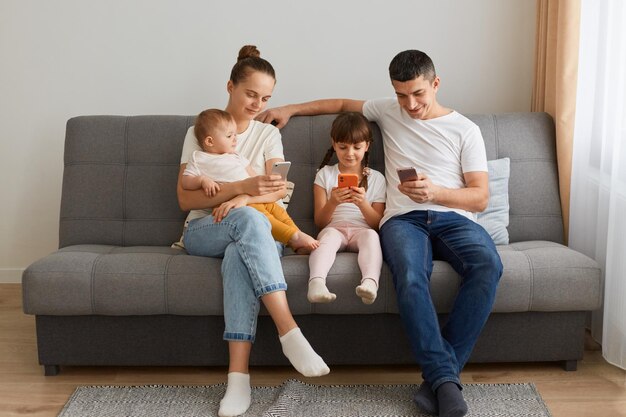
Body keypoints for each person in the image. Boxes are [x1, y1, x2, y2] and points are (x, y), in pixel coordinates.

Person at [257, 49, 503, 417]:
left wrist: (435, 192)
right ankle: (447, 382)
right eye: (401, 94)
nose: (410, 104)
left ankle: (440, 378)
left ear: (435, 84)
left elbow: (480, 197)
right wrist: (290, 108)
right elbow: (340, 102)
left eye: (418, 93)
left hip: (455, 218)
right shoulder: (388, 110)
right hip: (403, 220)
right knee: (409, 275)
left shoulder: (465, 130)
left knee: (488, 266)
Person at [177, 45, 329, 417]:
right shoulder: (199, 132)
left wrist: (243, 200)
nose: (257, 103)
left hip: (256, 226)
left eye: (265, 98)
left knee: (241, 244)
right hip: (202, 229)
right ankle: (289, 331)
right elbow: (184, 198)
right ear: (230, 86)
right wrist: (238, 191)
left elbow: (277, 189)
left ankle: (238, 379)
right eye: (250, 94)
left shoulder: (267, 135)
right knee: (249, 222)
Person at [182, 108, 319, 254]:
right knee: (259, 217)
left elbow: (253, 177)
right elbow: (186, 182)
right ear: (210, 141)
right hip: (233, 205)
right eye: (229, 136)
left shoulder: (237, 156)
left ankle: (297, 235)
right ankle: (293, 237)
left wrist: (261, 184)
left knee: (277, 210)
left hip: (252, 198)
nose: (235, 139)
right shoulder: (199, 158)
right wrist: (202, 180)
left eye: (235, 134)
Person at [307, 112, 386, 304]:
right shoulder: (324, 175)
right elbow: (320, 222)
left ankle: (369, 283)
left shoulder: (377, 178)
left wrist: (362, 203)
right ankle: (316, 283)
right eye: (343, 147)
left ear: (367, 146)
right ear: (334, 144)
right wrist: (333, 202)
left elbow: (377, 224)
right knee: (327, 238)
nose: (350, 153)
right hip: (334, 228)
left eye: (357, 147)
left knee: (372, 237)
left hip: (363, 230)